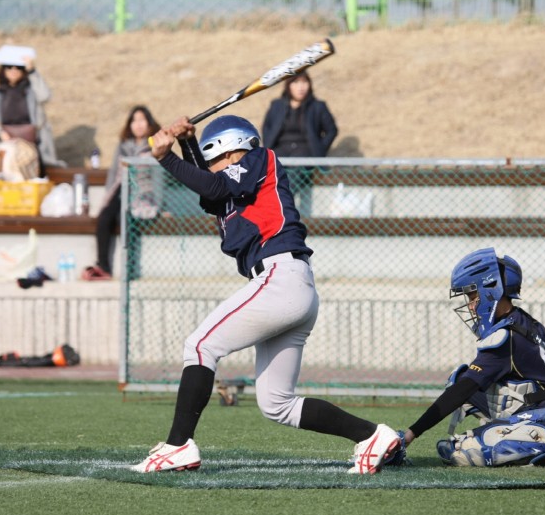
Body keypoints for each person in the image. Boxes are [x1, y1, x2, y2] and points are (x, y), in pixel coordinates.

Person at [132, 114, 399, 474]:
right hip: (290, 285)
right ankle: (371, 436)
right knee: (277, 404)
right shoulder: (233, 186)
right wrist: (187, 143)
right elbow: (211, 188)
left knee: (200, 346)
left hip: (279, 277)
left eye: (213, 159)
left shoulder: (260, 158)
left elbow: (214, 187)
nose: (211, 168)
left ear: (229, 149)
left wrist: (166, 157)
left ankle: (178, 445)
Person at [395, 248, 545, 469]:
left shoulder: (503, 338)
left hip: (543, 411)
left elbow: (461, 392)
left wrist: (410, 434)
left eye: (472, 296)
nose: (470, 305)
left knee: (461, 452)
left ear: (491, 291)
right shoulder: (523, 320)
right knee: (460, 377)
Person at [82, 105, 162, 280]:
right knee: (104, 218)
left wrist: (160, 204)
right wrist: (106, 198)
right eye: (134, 120)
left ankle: (130, 269)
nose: (138, 124)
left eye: (142, 120)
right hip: (120, 190)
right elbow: (113, 174)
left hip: (141, 194)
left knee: (126, 221)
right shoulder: (123, 145)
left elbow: (158, 177)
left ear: (149, 124)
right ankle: (103, 267)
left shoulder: (155, 145)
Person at [0, 47, 65, 174]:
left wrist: (32, 70)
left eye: (18, 67)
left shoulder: (31, 89)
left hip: (33, 143)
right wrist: (1, 134)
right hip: (7, 143)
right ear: (3, 70)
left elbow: (45, 96)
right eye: (9, 67)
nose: (14, 71)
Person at [261, 70, 337, 157]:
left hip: (306, 151)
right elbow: (266, 127)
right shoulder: (277, 105)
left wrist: (320, 148)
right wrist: (268, 143)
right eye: (296, 82)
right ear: (288, 85)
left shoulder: (317, 106)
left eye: (304, 82)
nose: (301, 87)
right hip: (280, 149)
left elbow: (331, 130)